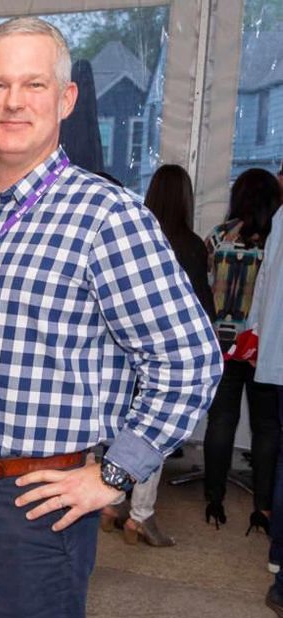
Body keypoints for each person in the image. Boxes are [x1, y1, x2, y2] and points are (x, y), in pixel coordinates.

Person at [0, 17, 221, 618]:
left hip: (34, 505)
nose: (14, 100)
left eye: (35, 84)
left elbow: (190, 358)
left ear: (67, 100)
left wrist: (114, 474)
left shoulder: (106, 216)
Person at [101, 164, 216, 547]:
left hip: (118, 355)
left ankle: (113, 500)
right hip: (157, 354)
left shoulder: (134, 238)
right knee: (152, 434)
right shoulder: (190, 245)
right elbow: (201, 310)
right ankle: (140, 515)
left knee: (122, 427)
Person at [202, 167, 281, 532]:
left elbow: (202, 288)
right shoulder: (274, 242)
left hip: (223, 343)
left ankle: (214, 498)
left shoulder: (218, 238)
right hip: (263, 345)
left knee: (222, 419)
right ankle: (262, 507)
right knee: (266, 426)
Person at [245, 179, 283, 618]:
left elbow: (263, 289)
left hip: (269, 352)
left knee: (270, 435)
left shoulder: (277, 221)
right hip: (269, 350)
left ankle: (271, 525)